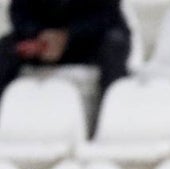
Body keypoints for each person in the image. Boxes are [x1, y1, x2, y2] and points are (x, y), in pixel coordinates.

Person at [0, 0, 130, 102]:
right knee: (6, 48)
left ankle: (115, 113)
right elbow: (18, 12)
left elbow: (107, 14)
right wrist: (39, 35)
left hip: (88, 40)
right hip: (40, 41)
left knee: (115, 43)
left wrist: (68, 36)